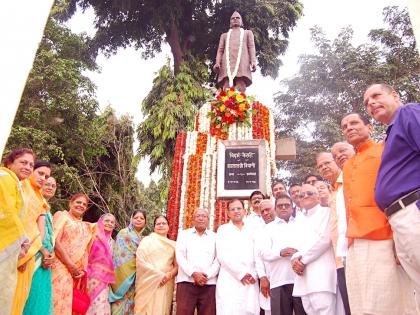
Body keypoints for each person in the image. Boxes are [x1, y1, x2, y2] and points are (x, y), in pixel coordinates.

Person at [341, 112, 416, 314]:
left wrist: (396, 239)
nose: (349, 127)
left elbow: (391, 194)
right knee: (361, 302)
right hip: (355, 241)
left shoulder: (385, 151)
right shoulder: (347, 165)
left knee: (389, 300)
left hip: (383, 236)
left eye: (354, 122)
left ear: (370, 128)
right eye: (345, 126)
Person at [363, 83, 420, 299]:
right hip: (400, 219)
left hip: (413, 210)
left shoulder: (409, 112)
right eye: (367, 103)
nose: (371, 103)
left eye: (376, 96)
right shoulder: (391, 133)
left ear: (395, 95)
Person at [11, 160, 51, 315]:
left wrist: (29, 254)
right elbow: (18, 221)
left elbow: (38, 230)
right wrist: (22, 253)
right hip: (15, 252)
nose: (43, 178)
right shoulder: (21, 188)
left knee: (20, 300)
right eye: (40, 173)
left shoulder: (39, 198)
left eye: (46, 176)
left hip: (30, 254)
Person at [291, 184, 337, 315]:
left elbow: (324, 240)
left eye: (309, 193)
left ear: (318, 196)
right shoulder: (299, 219)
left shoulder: (326, 212)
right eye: (301, 195)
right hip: (303, 277)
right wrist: (295, 260)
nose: (305, 196)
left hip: (321, 276)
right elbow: (294, 245)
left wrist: (303, 261)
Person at [0, 148, 34, 314]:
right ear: (9, 163)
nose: (28, 167)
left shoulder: (15, 183)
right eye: (23, 162)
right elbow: (6, 212)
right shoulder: (5, 178)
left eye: (31, 164)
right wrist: (23, 240)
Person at [261, 194, 306, 315]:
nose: (284, 208)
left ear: (292, 208)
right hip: (278, 280)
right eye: (280, 206)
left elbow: (309, 247)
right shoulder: (268, 229)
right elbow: (264, 253)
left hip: (301, 278)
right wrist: (279, 253)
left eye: (287, 205)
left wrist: (299, 254)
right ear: (275, 209)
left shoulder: (301, 225)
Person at [52, 192, 95, 314]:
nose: (81, 205)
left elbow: (85, 251)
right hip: (59, 266)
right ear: (70, 203)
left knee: (69, 306)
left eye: (84, 204)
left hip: (75, 273)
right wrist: (70, 265)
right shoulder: (62, 216)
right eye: (78, 202)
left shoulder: (85, 227)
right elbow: (55, 241)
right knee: (56, 301)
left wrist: (82, 271)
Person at [215, 199, 260, 315]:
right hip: (229, 279)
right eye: (232, 209)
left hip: (251, 279)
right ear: (228, 213)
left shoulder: (253, 229)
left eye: (239, 208)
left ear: (245, 211)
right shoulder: (223, 230)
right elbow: (222, 255)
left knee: (249, 310)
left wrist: (254, 273)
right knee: (229, 309)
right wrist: (240, 273)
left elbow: (258, 253)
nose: (236, 211)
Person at [23, 175, 57, 315]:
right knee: (31, 298)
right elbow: (30, 230)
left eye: (53, 186)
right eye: (47, 184)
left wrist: (51, 255)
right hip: (33, 256)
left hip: (46, 261)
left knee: (41, 299)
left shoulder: (47, 208)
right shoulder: (34, 203)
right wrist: (43, 251)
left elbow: (50, 237)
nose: (50, 187)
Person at [176, 208, 219, 315]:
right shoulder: (183, 235)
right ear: (193, 219)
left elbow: (218, 259)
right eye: (198, 216)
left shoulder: (215, 237)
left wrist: (207, 275)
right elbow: (180, 256)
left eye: (204, 216)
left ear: (208, 220)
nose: (201, 218)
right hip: (186, 282)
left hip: (209, 284)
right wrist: (193, 274)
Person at [135, 215, 177, 315]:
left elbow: (176, 266)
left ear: (168, 227)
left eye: (164, 223)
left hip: (165, 283)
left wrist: (168, 276)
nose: (161, 225)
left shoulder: (174, 244)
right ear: (154, 227)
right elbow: (140, 261)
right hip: (147, 282)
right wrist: (158, 275)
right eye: (158, 224)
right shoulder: (147, 240)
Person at [110, 209, 146, 314]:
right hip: (122, 276)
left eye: (142, 218)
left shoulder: (144, 239)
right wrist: (126, 271)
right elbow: (117, 256)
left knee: (131, 304)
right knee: (119, 304)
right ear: (131, 219)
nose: (138, 220)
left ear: (145, 222)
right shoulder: (123, 233)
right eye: (136, 217)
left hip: (137, 277)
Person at [213, 11, 256, 92]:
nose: (235, 19)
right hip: (227, 65)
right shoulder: (224, 35)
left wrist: (253, 61)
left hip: (242, 64)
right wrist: (217, 62)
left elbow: (251, 47)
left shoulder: (247, 33)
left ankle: (242, 104)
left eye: (237, 18)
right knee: (227, 86)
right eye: (233, 18)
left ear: (241, 21)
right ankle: (226, 103)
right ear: (230, 22)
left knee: (241, 85)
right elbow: (220, 50)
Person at [86, 213, 116, 315]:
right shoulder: (93, 236)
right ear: (100, 222)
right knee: (89, 304)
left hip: (104, 281)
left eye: (112, 222)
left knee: (101, 305)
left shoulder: (113, 242)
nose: (109, 223)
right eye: (107, 221)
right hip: (90, 278)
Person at [255, 200, 277, 315]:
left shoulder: (285, 225)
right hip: (268, 278)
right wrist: (263, 277)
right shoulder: (260, 231)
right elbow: (257, 257)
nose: (265, 213)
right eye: (262, 211)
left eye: (268, 209)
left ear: (275, 208)